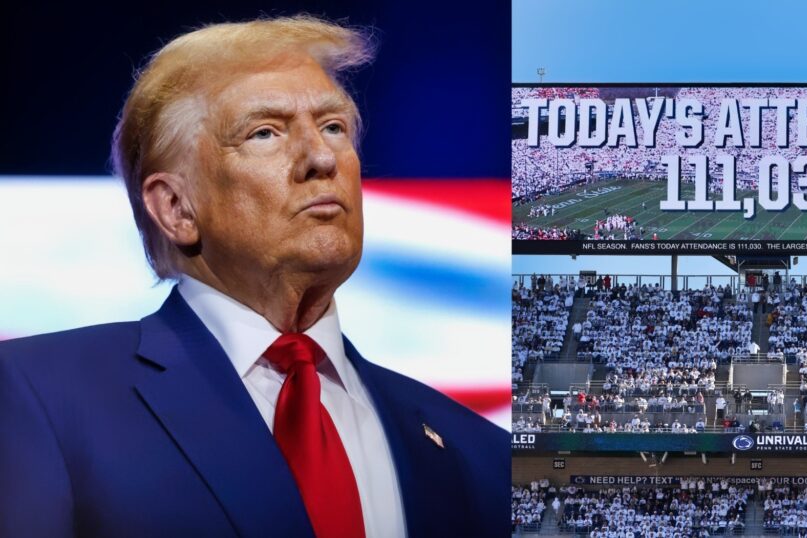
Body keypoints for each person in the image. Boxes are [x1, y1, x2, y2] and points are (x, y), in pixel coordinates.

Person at [0, 16, 507, 537]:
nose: (320, 157)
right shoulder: (40, 398)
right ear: (176, 207)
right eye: (265, 132)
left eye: (333, 127)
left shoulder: (477, 452)